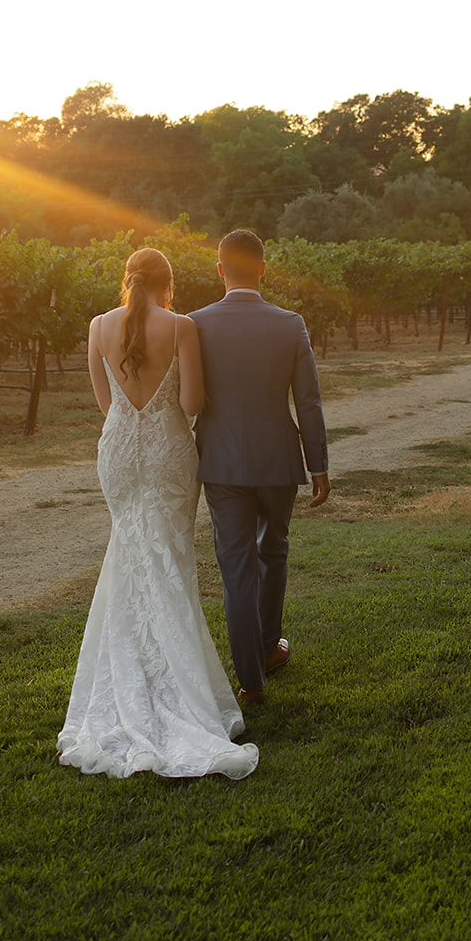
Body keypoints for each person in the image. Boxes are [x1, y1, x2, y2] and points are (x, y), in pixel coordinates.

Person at [56, 247, 258, 780]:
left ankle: (126, 688)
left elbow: (108, 405)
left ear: (126, 281)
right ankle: (181, 696)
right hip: (169, 453)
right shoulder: (182, 327)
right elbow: (191, 404)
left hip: (119, 454)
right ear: (168, 286)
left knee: (128, 558)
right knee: (170, 565)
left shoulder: (99, 325)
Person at [189, 229, 330, 705]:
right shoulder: (291, 324)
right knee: (274, 551)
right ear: (264, 269)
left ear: (220, 269)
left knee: (236, 569)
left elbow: (184, 399)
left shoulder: (195, 324)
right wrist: (319, 465)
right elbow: (307, 401)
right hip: (278, 461)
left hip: (222, 463)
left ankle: (252, 681)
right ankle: (269, 647)